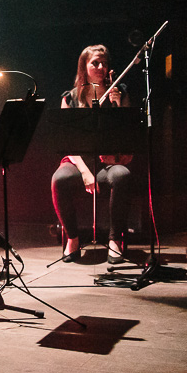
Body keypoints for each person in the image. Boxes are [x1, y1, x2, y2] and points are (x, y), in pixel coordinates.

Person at [51, 44, 135, 266]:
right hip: (79, 160)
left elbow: (127, 133)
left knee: (122, 176)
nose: (100, 67)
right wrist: (85, 172)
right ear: (84, 66)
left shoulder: (119, 93)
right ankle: (72, 238)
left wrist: (117, 105)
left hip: (107, 160)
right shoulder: (70, 98)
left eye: (104, 63)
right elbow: (68, 141)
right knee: (59, 179)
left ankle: (115, 240)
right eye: (95, 63)